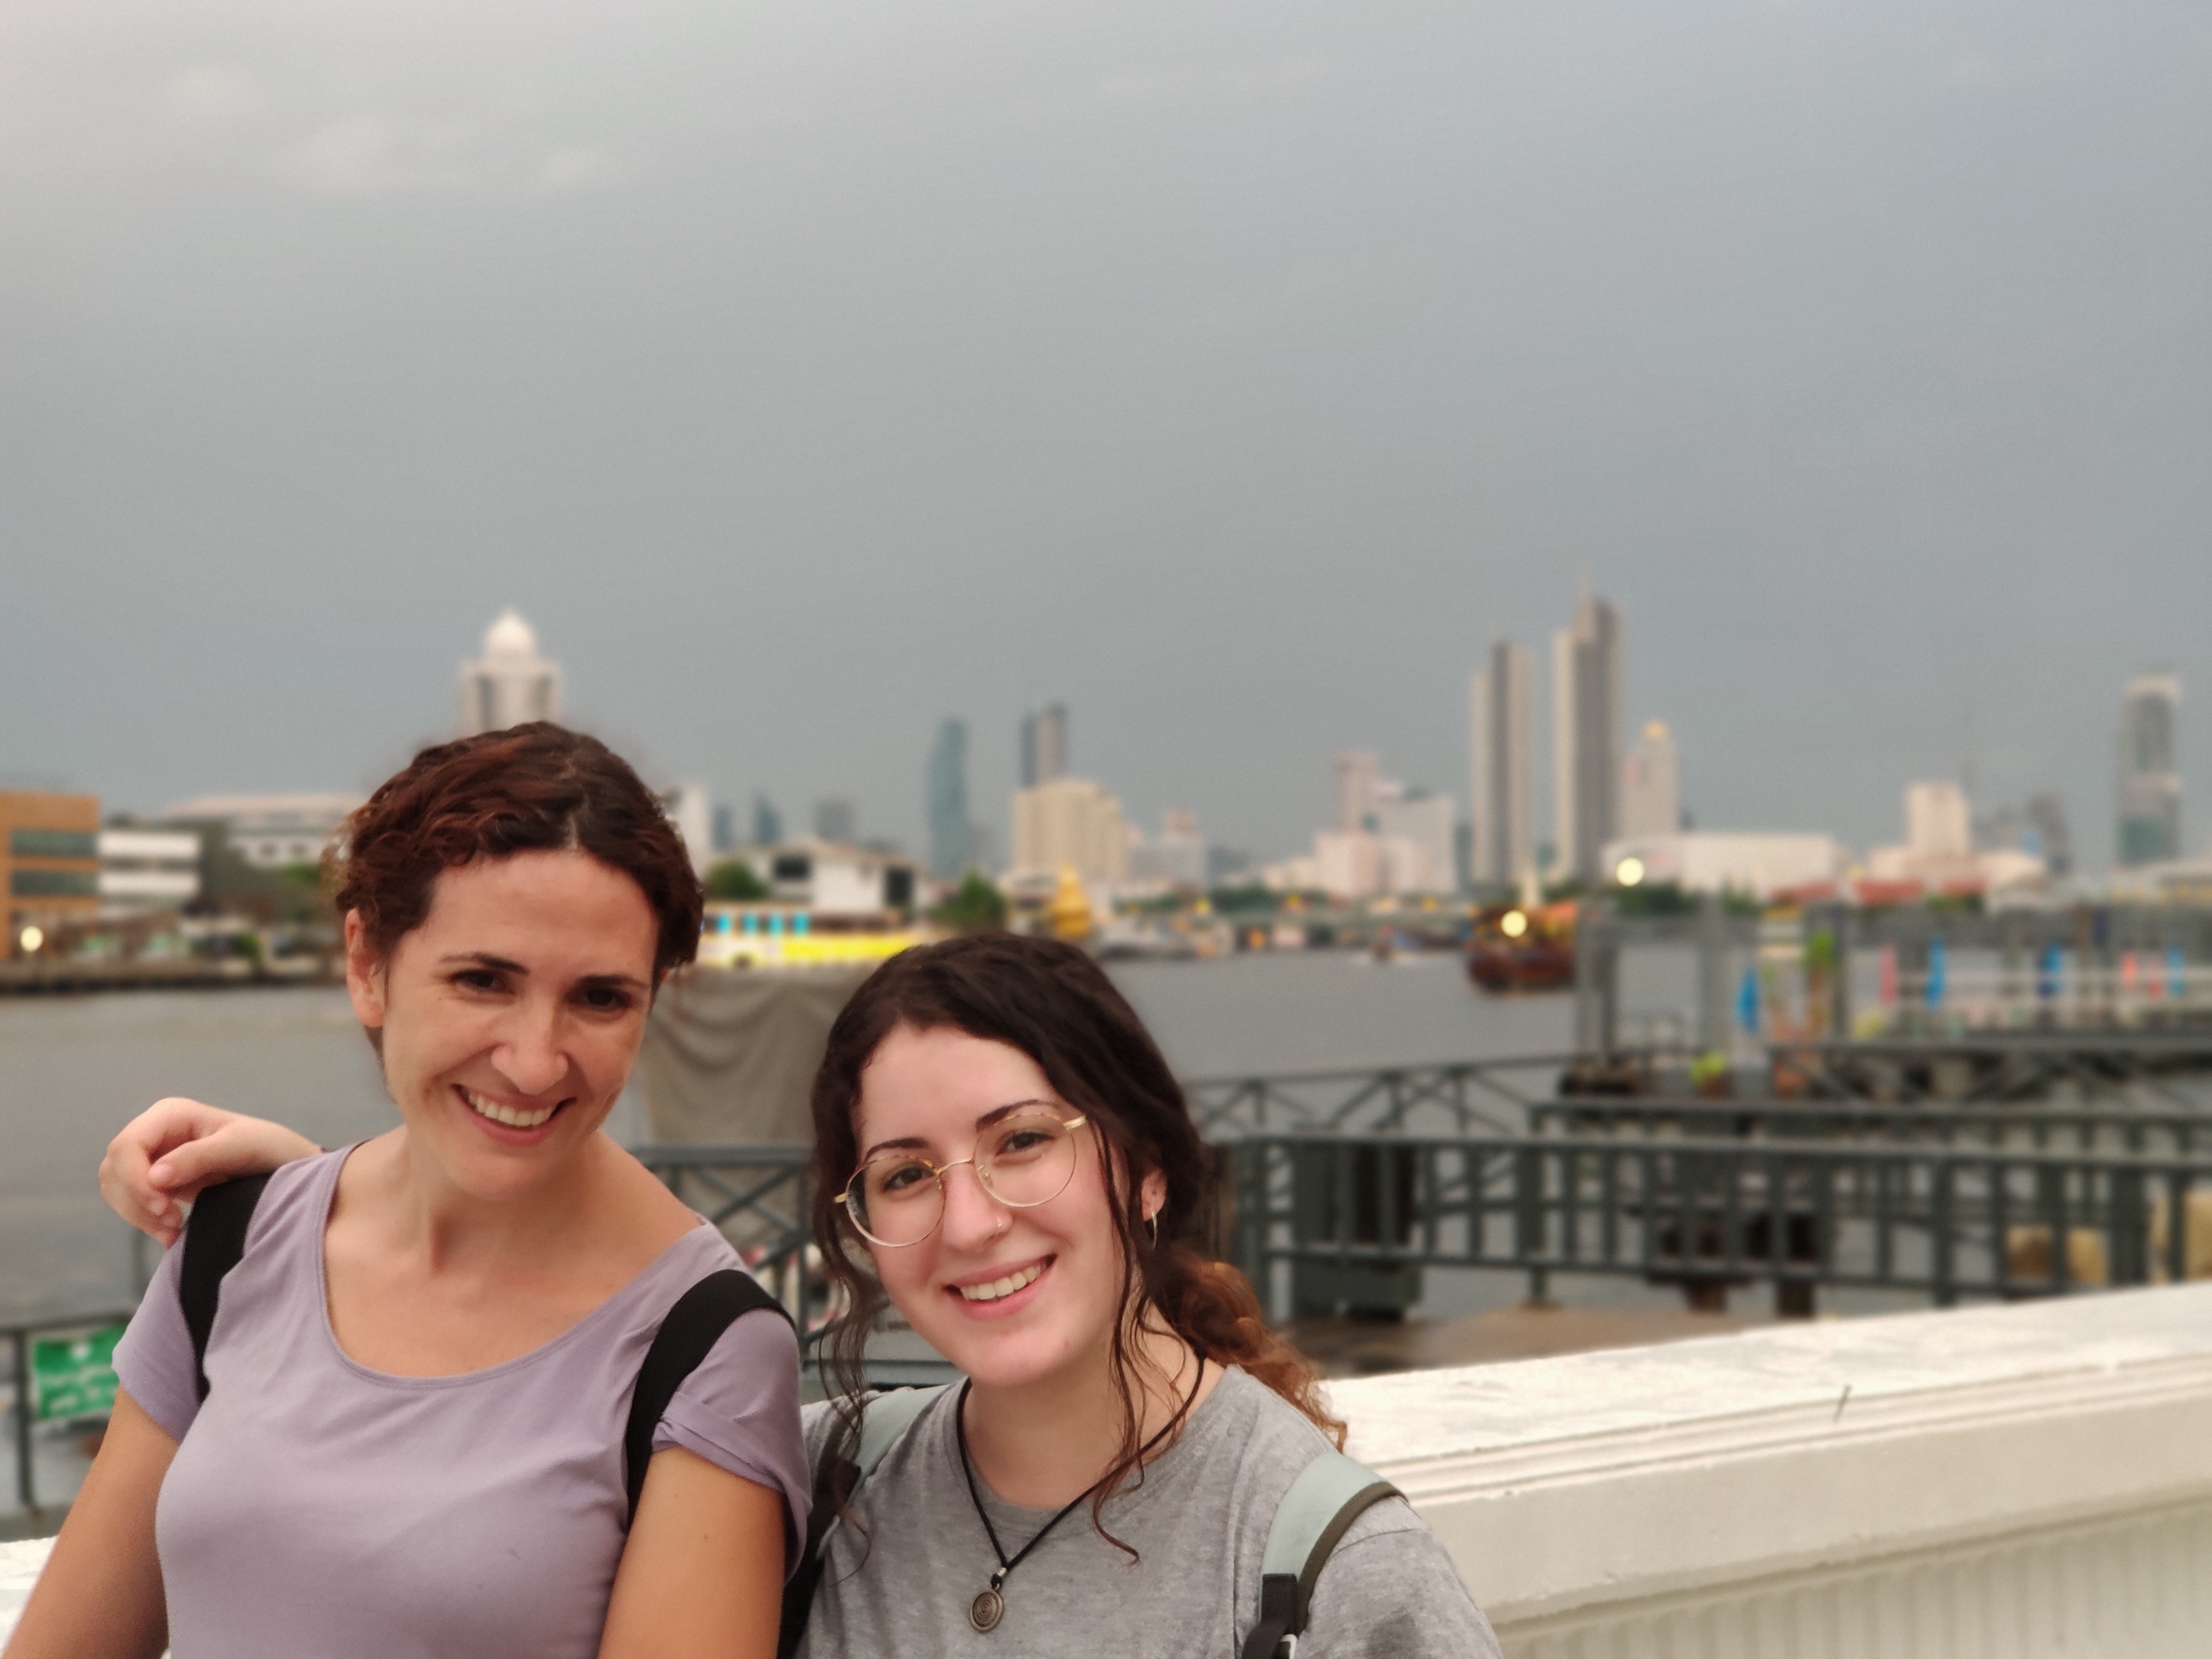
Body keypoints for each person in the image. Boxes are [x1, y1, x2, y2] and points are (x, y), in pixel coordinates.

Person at [95, 935, 1500, 1656]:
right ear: (861, 1230)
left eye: (1022, 1142)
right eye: (904, 1174)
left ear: (1139, 1168)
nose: (969, 1219)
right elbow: (540, 1393)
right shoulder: (830, 1487)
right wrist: (340, 1199)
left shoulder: (1325, 1570)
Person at [9, 724, 806, 1659]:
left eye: (600, 998)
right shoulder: (237, 1244)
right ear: (367, 966)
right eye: (483, 980)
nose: (535, 1061)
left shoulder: (706, 1351)